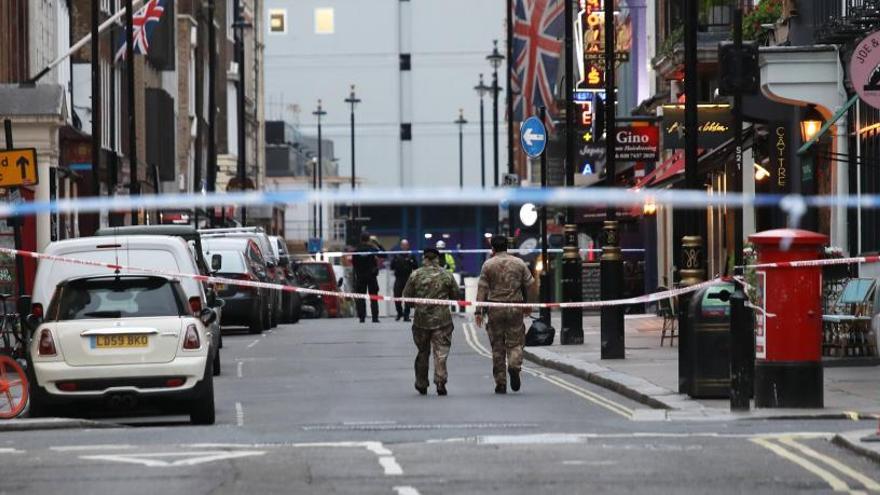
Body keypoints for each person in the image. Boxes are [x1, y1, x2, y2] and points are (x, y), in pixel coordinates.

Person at [475, 235, 536, 394]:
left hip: (495, 309)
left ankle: (500, 383)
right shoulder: (519, 263)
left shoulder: (488, 265)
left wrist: (478, 311)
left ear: (492, 249)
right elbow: (531, 284)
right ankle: (514, 366)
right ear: (507, 247)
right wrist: (529, 304)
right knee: (515, 341)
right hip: (514, 308)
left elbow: (482, 288)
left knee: (497, 347)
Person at [403, 247, 460, 396]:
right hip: (442, 320)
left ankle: (421, 383)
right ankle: (440, 381)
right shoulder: (447, 275)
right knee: (441, 352)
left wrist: (415, 305)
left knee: (423, 352)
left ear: (424, 258)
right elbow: (456, 295)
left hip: (421, 320)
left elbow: (406, 297)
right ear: (438, 258)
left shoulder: (415, 275)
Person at [352, 232, 383, 323]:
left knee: (361, 298)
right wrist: (377, 244)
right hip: (371, 276)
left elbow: (354, 263)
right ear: (369, 239)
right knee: (373, 297)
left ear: (361, 239)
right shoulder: (372, 249)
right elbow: (384, 254)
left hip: (360, 276)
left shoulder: (357, 250)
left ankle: (362, 318)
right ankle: (375, 318)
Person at [391, 239, 418, 321]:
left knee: (408, 297)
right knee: (397, 296)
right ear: (401, 246)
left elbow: (416, 267)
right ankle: (399, 313)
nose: (404, 246)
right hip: (398, 278)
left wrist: (411, 262)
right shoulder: (396, 256)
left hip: (408, 279)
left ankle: (406, 315)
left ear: (408, 246)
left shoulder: (411, 256)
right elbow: (392, 267)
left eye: (406, 245)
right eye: (403, 245)